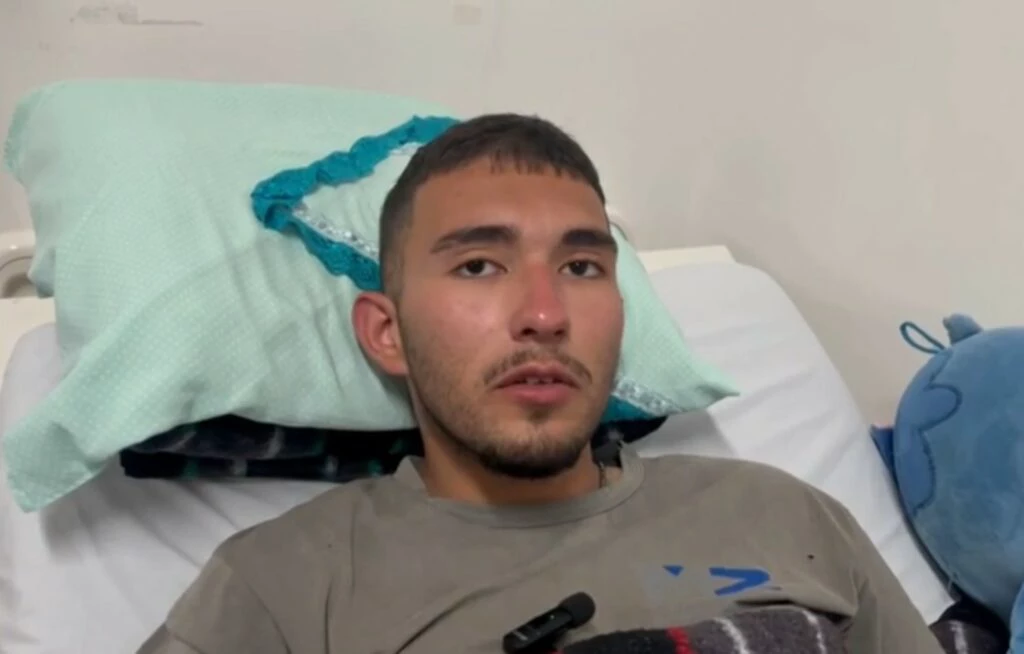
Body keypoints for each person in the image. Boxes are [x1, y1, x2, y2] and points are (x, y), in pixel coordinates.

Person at [138, 114, 943, 653]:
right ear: (388, 333)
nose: (544, 314)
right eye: (478, 266)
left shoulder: (787, 516)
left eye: (582, 266)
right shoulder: (282, 589)